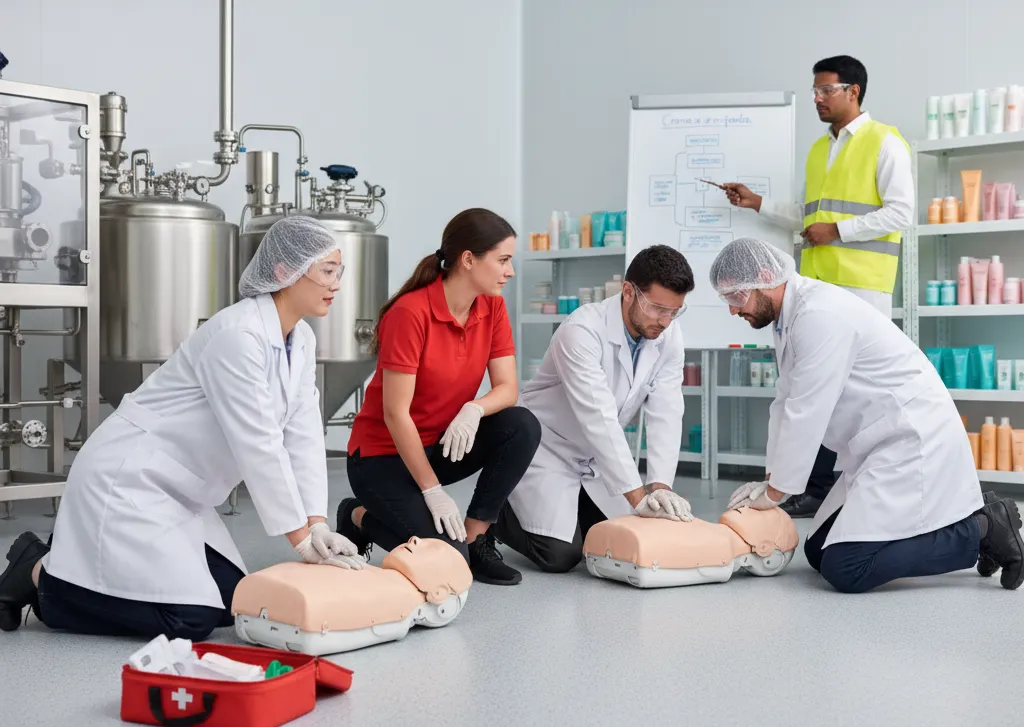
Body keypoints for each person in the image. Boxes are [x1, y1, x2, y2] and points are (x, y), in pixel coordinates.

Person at [0, 216, 364, 638]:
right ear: (285, 271)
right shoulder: (237, 334)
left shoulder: (300, 339)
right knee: (191, 619)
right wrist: (300, 540)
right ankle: (41, 574)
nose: (337, 284)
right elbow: (259, 443)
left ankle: (63, 570)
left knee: (231, 604)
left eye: (338, 271)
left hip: (181, 493)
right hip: (131, 480)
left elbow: (303, 434)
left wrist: (318, 522)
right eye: (327, 271)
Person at [711, 237, 1023, 593]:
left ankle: (983, 528)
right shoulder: (789, 318)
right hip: (877, 443)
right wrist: (770, 478)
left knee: (847, 568)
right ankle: (976, 517)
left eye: (737, 296)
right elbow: (784, 402)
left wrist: (775, 493)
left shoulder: (818, 315)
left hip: (910, 439)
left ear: (767, 277)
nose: (732, 310)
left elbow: (806, 412)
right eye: (727, 299)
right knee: (817, 551)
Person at [721, 56, 914, 519]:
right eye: (815, 91)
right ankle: (813, 487)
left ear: (854, 91)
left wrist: (839, 231)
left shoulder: (885, 141)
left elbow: (901, 212)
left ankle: (843, 485)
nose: (817, 99)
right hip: (815, 287)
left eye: (826, 90)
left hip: (861, 287)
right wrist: (758, 203)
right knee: (806, 386)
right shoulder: (817, 151)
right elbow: (809, 218)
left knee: (848, 392)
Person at [336, 208, 541, 587]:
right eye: (503, 260)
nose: (510, 271)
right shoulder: (410, 313)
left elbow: (508, 390)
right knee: (449, 560)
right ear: (468, 259)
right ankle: (356, 516)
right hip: (382, 458)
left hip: (440, 446)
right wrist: (433, 492)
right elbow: (396, 414)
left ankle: (476, 538)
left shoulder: (492, 306)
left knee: (522, 426)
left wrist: (474, 408)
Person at [492, 245, 696, 573]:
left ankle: (576, 508)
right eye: (658, 308)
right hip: (546, 449)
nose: (666, 321)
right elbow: (599, 418)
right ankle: (498, 509)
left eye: (675, 311)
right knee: (560, 556)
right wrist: (638, 496)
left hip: (593, 458)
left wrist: (660, 486)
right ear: (628, 292)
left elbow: (667, 411)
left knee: (622, 538)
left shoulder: (668, 333)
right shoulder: (582, 331)